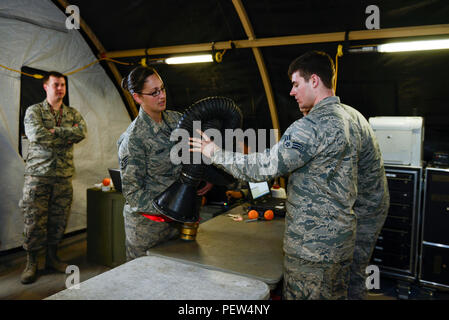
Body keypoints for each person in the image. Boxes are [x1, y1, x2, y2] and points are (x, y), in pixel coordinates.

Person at [190, 51, 389, 300]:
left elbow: (261, 169)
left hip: (312, 250)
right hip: (344, 242)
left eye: (296, 84)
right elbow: (372, 177)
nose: (292, 92)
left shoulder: (309, 127)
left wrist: (214, 152)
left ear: (314, 81)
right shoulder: (354, 118)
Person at [117, 66, 212, 261]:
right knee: (145, 284)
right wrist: (171, 207)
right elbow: (133, 194)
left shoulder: (176, 120)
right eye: (154, 93)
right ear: (137, 97)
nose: (162, 96)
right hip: (147, 230)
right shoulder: (133, 139)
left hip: (178, 224)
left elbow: (196, 152)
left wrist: (207, 177)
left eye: (162, 89)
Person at [20, 71, 87, 284]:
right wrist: (66, 134)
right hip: (38, 175)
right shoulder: (34, 111)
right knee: (34, 221)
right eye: (56, 84)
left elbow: (81, 133)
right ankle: (31, 263)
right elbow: (36, 135)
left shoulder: (73, 113)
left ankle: (52, 258)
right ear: (46, 87)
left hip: (63, 176)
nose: (60, 89)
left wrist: (53, 132)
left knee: (58, 220)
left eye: (63, 85)